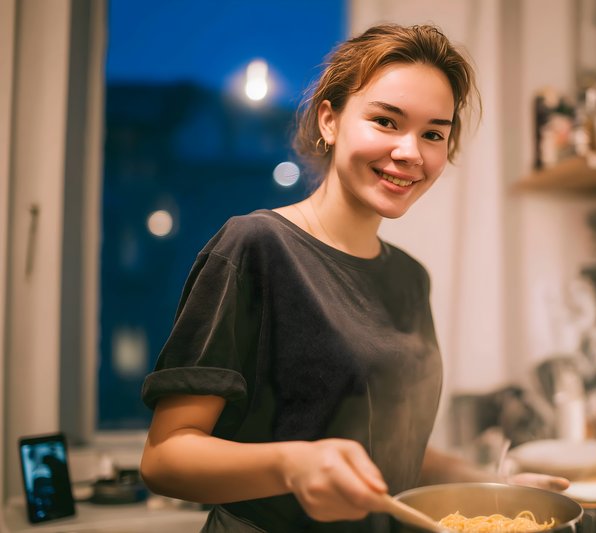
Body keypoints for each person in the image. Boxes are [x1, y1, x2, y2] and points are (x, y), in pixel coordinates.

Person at [140, 23, 568, 533]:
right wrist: (294, 465)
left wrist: (496, 484)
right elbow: (164, 458)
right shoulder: (255, 246)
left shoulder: (410, 279)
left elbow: (388, 449)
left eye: (433, 133)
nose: (411, 151)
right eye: (386, 122)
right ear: (330, 120)